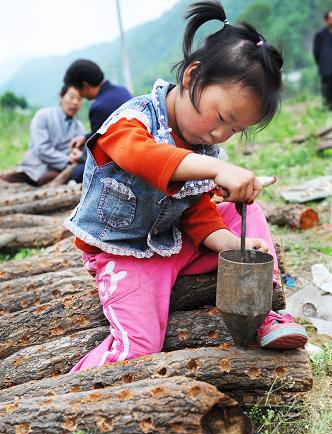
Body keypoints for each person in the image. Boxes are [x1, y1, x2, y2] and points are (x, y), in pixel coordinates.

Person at [64, 0, 307, 372]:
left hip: (172, 242)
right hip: (125, 253)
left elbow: (196, 211)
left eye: (233, 130)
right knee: (141, 347)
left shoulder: (205, 147)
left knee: (245, 212)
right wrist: (214, 168)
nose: (220, 133)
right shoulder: (133, 121)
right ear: (193, 77)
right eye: (222, 118)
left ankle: (262, 311)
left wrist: (230, 243)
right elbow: (142, 156)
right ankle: (75, 390)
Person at [0, 85, 85, 186]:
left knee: (50, 179)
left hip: (56, 173)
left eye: (79, 99)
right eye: (72, 97)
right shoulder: (43, 116)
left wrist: (76, 155)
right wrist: (67, 159)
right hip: (32, 169)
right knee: (4, 182)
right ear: (61, 97)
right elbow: (41, 148)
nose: (75, 102)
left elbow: (78, 152)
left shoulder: (80, 127)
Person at [63, 59, 132, 182]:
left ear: (85, 86)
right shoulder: (122, 91)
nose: (81, 96)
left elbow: (98, 150)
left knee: (77, 173)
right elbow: (106, 130)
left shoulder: (98, 106)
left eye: (79, 91)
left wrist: (80, 157)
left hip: (120, 163)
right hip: (131, 150)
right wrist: (85, 138)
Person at [313, 10, 332, 110]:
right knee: (327, 88)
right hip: (326, 66)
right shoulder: (320, 35)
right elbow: (316, 51)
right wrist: (322, 63)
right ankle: (328, 107)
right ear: (326, 20)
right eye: (330, 18)